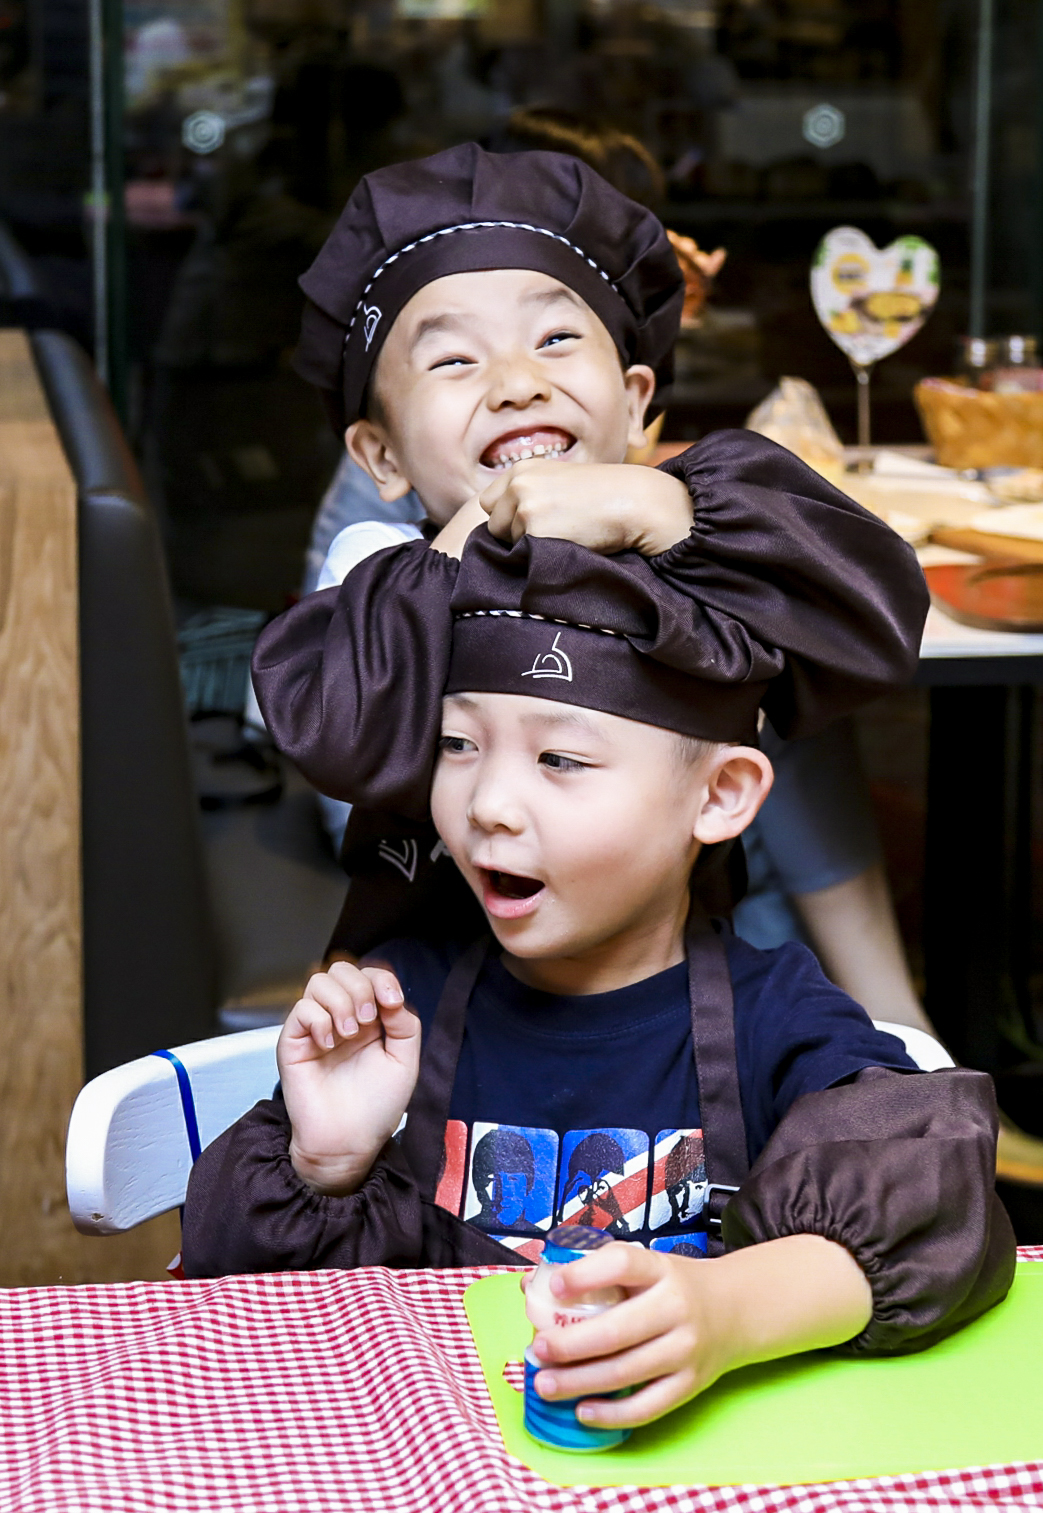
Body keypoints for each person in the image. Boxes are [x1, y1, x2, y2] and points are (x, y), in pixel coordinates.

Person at [183, 431, 1013, 1433]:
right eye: (456, 743)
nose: (488, 803)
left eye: (561, 760)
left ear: (719, 794)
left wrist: (729, 1310)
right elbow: (237, 1318)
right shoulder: (397, 1006)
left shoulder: (774, 1017)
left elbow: (937, 1205)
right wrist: (326, 1164)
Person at [283, 136, 934, 1036]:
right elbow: (340, 736)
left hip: (680, 1003)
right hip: (447, 1013)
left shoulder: (691, 535)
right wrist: (473, 537)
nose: (517, 383)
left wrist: (663, 508)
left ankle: (897, 1024)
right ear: (381, 455)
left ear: (634, 401)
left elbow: (875, 622)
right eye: (453, 361)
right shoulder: (379, 566)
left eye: (555, 339)